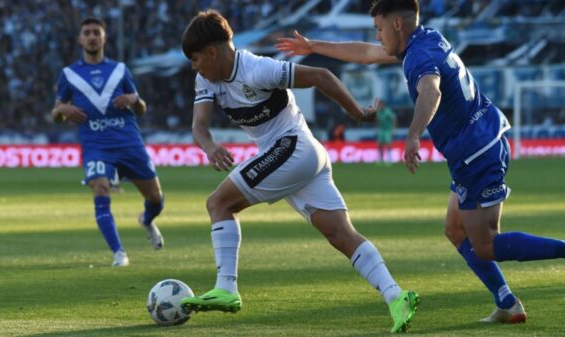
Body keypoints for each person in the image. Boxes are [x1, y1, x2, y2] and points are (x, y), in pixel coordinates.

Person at [276, 0, 565, 324]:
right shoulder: (427, 38)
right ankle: (507, 302)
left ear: (397, 24)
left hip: (477, 152)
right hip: (478, 142)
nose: (378, 37)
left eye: (380, 29)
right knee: (455, 230)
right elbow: (368, 54)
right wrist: (314, 46)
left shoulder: (417, 57)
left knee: (484, 244)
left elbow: (431, 91)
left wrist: (413, 134)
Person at [179, 9, 419, 333]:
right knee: (340, 234)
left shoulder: (256, 69)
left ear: (212, 52)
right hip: (299, 156)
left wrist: (358, 114)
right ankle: (396, 296)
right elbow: (199, 126)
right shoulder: (206, 79)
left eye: (195, 59)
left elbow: (322, 76)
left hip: (293, 148)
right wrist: (209, 148)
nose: (194, 68)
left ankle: (227, 288)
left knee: (218, 204)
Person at [51, 17, 165, 267]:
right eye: (87, 33)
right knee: (100, 188)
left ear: (104, 38)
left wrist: (134, 100)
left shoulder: (120, 70)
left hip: (129, 143)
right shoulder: (69, 75)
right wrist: (64, 110)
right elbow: (55, 114)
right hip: (96, 146)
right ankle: (119, 253)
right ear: (80, 39)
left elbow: (142, 109)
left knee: (156, 199)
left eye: (96, 32)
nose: (92, 36)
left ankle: (146, 220)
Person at [376, 100, 396, 165]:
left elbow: (394, 119)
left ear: (383, 105)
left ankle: (389, 159)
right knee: (379, 145)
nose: (380, 106)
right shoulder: (378, 112)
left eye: (381, 105)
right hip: (381, 130)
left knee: (388, 145)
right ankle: (380, 159)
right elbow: (377, 120)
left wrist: (393, 129)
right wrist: (376, 128)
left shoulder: (388, 111)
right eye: (379, 105)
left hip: (388, 130)